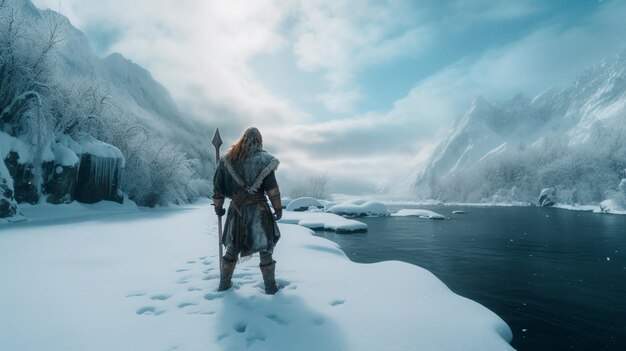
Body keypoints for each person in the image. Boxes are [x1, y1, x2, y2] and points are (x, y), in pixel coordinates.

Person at [212, 127, 283, 294]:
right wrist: (278, 208)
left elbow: (217, 188)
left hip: (237, 210)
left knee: (233, 246)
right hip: (260, 210)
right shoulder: (265, 160)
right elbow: (272, 189)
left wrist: (218, 208)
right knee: (265, 247)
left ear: (242, 139)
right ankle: (270, 287)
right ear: (260, 140)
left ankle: (225, 283)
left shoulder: (227, 160)